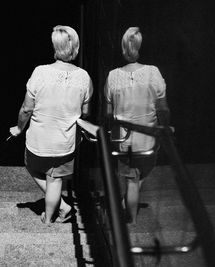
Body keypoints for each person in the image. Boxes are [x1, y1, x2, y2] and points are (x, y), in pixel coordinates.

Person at [10, 25, 93, 224]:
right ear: (76, 48)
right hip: (65, 141)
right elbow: (86, 113)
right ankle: (54, 214)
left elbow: (26, 109)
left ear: (55, 46)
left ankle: (53, 215)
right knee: (55, 179)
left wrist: (19, 128)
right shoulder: (84, 77)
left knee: (31, 165)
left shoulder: (40, 72)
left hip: (38, 140)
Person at [104, 27, 170, 224]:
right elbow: (163, 109)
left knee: (131, 179)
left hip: (123, 140)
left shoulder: (112, 76)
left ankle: (127, 212)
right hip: (148, 138)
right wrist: (165, 127)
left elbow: (108, 113)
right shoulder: (154, 73)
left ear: (123, 47)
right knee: (137, 177)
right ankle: (131, 219)